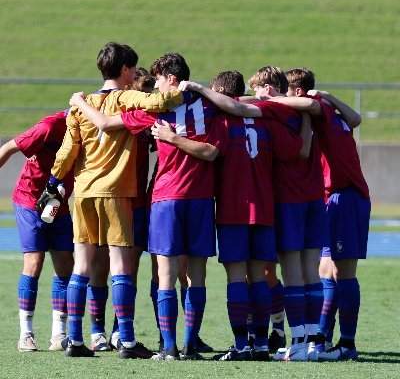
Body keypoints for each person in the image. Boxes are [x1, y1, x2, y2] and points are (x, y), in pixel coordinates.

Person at [69, 52, 226, 360]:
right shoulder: (201, 108)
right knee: (173, 272)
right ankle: (170, 345)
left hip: (172, 198)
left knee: (187, 273)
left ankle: (186, 344)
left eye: (157, 81)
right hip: (184, 198)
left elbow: (211, 153)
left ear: (171, 79)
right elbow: (105, 123)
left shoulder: (181, 110)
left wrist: (80, 102)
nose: (153, 89)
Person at [39, 43, 186, 358]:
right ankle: (128, 341)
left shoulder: (82, 104)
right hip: (115, 191)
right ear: (125, 71)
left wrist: (53, 182)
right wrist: (182, 88)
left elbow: (67, 151)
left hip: (83, 192)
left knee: (82, 266)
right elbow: (161, 100)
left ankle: (76, 340)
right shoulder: (125, 97)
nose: (134, 75)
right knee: (121, 264)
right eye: (133, 70)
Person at [153, 70, 311, 362]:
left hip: (233, 209)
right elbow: (299, 152)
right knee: (259, 277)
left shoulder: (222, 122)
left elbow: (209, 152)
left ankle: (241, 345)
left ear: (221, 94)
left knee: (237, 277)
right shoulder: (267, 121)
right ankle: (262, 344)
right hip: (264, 208)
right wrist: (307, 119)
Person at [285, 68, 370, 361]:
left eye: (286, 91)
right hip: (329, 198)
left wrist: (267, 100)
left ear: (298, 92)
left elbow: (308, 105)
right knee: (325, 271)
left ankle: (346, 344)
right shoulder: (330, 107)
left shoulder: (318, 107)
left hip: (345, 197)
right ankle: (321, 340)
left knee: (342, 272)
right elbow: (356, 119)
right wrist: (330, 96)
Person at [0, 111, 74, 352]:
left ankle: (58, 334)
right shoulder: (50, 126)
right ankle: (26, 334)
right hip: (30, 200)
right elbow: (10, 147)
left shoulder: (93, 129)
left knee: (65, 266)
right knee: (34, 262)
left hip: (58, 205)